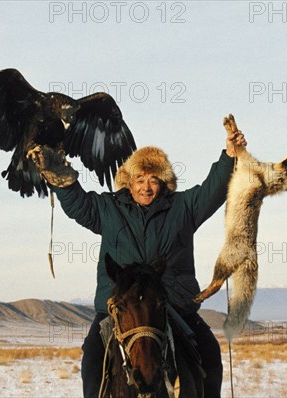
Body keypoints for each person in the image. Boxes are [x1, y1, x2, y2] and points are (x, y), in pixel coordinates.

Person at [30, 123, 246, 398]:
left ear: (163, 182)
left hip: (174, 305)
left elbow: (212, 191)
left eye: (153, 180)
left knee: (209, 352)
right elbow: (78, 205)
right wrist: (61, 178)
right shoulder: (108, 208)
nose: (146, 187)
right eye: (140, 180)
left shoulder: (183, 208)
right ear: (128, 181)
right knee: (93, 361)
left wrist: (229, 155)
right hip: (119, 308)